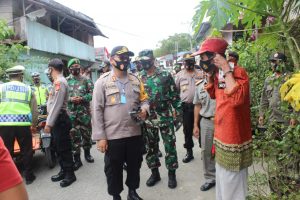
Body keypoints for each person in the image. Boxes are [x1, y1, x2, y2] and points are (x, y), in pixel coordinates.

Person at [194, 37, 253, 200]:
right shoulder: (218, 74)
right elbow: (213, 95)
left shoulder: (237, 72)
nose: (201, 61)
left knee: (233, 185)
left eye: (203, 57)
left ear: (215, 56)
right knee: (222, 182)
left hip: (233, 138)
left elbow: (237, 100)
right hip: (221, 135)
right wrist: (211, 75)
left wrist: (226, 69)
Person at [92, 46, 149, 200]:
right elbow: (96, 110)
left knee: (134, 165)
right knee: (113, 169)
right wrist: (100, 137)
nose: (125, 60)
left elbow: (144, 100)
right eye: (121, 57)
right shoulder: (102, 82)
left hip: (134, 133)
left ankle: (132, 191)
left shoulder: (136, 80)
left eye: (127, 57)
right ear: (111, 60)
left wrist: (145, 109)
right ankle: (116, 195)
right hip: (113, 136)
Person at [139, 49, 182, 189]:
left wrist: (179, 114)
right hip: (148, 120)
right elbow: (137, 99)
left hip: (165, 118)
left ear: (152, 59)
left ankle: (171, 174)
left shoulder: (165, 75)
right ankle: (155, 173)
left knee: (170, 147)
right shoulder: (139, 78)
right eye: (142, 61)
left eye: (147, 60)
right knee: (151, 148)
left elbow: (174, 96)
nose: (145, 63)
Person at [0, 65, 38, 185]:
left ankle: (9, 178)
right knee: (26, 150)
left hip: (4, 125)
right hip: (23, 125)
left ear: (9, 76)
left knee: (7, 151)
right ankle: (29, 176)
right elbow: (34, 110)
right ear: (21, 76)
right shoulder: (28, 89)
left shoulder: (1, 88)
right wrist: (34, 124)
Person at [45, 58, 76, 188]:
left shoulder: (60, 82)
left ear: (51, 69)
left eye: (49, 69)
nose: (48, 72)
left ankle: (70, 174)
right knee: (58, 147)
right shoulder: (58, 81)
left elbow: (57, 105)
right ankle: (63, 171)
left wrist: (49, 123)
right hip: (58, 120)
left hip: (60, 120)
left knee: (64, 148)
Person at [175, 52, 203, 163]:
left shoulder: (200, 74)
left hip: (200, 106)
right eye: (186, 62)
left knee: (201, 128)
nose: (188, 64)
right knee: (187, 130)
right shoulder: (179, 75)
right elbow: (175, 91)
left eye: (190, 61)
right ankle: (189, 152)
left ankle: (203, 151)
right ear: (183, 63)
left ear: (194, 62)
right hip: (186, 107)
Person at [67, 58, 94, 170]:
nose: (75, 69)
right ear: (69, 69)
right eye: (73, 68)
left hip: (84, 114)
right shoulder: (66, 81)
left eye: (77, 67)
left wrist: (82, 98)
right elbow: (61, 97)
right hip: (71, 115)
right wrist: (70, 99)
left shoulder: (87, 80)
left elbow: (92, 94)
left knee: (86, 135)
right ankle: (77, 159)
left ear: (80, 68)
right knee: (74, 137)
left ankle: (87, 153)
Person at [259, 52, 296, 128]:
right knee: (271, 138)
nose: (273, 64)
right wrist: (262, 115)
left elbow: (296, 99)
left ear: (283, 63)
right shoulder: (269, 79)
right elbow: (264, 99)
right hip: (272, 118)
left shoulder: (291, 78)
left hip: (287, 118)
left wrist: (294, 116)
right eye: (272, 62)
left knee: (287, 139)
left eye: (275, 62)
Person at [193, 72, 216, 191]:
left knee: (223, 151)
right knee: (206, 151)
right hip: (206, 121)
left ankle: (223, 177)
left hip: (222, 122)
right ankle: (210, 178)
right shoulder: (199, 85)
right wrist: (195, 125)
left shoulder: (221, 83)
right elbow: (197, 105)